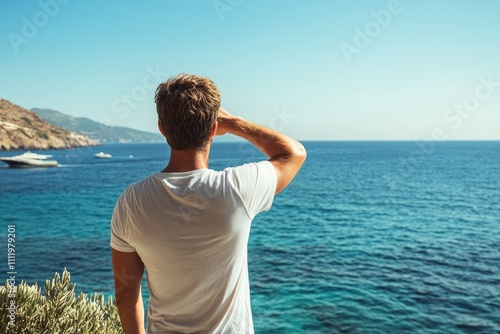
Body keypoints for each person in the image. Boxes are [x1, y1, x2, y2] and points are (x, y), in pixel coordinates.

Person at [110, 73, 306, 334]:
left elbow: (125, 293)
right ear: (214, 129)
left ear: (161, 128)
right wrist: (235, 123)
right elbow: (293, 153)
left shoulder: (131, 201)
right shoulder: (236, 188)